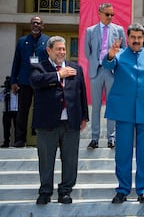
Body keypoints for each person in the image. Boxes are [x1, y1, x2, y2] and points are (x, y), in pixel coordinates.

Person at [103, 23, 144, 204]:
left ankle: (143, 190)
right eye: (133, 37)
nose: (136, 41)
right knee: (123, 152)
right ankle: (122, 190)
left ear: (143, 38)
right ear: (128, 38)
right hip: (124, 111)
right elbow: (107, 65)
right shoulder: (119, 55)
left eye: (139, 38)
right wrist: (110, 54)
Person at [30, 36, 88, 205]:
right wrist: (58, 75)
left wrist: (84, 116)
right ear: (49, 50)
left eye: (64, 49)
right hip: (47, 123)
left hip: (71, 122)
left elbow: (81, 93)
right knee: (46, 159)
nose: (62, 52)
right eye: (58, 49)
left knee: (70, 159)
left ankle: (65, 191)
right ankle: (45, 192)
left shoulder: (75, 68)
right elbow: (35, 81)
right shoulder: (39, 67)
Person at [84, 2, 126, 149]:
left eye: (112, 15)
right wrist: (95, 62)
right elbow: (87, 52)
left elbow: (124, 50)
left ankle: (111, 138)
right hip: (96, 71)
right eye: (107, 14)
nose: (110, 17)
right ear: (100, 13)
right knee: (95, 106)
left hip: (112, 71)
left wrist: (113, 60)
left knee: (112, 105)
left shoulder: (119, 30)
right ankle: (94, 138)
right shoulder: (90, 31)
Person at [10, 16, 49, 147]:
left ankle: (40, 138)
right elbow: (16, 62)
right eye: (33, 23)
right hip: (24, 81)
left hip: (41, 81)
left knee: (40, 110)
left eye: (38, 23)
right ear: (30, 25)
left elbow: (50, 63)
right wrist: (13, 81)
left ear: (43, 26)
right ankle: (20, 139)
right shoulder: (22, 41)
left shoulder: (47, 41)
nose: (36, 25)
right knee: (22, 111)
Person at [0, 76, 18, 148]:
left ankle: (18, 141)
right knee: (6, 128)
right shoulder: (5, 91)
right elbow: (1, 99)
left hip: (16, 111)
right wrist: (5, 91)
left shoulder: (17, 90)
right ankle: (6, 142)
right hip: (6, 111)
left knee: (17, 127)